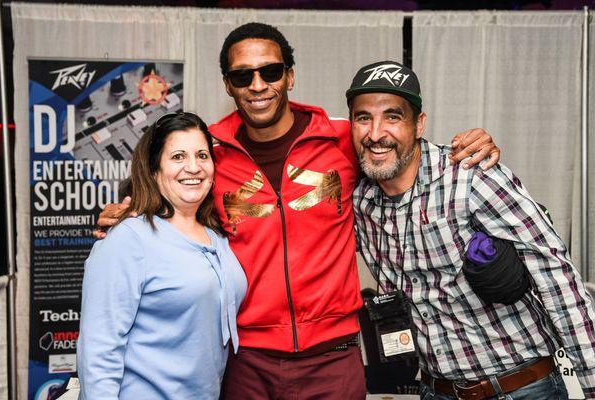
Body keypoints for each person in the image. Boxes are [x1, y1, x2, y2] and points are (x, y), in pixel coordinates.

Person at [94, 23, 501, 399]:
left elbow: (402, 148)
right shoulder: (209, 153)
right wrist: (127, 216)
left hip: (333, 358)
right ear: (228, 85)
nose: (258, 85)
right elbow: (159, 195)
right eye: (242, 76)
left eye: (270, 72)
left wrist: (471, 144)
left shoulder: (342, 137)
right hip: (246, 360)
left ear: (290, 75)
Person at [349, 60, 595, 400]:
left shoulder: (471, 176)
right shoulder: (361, 202)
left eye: (392, 116)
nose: (376, 133)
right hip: (437, 390)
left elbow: (554, 273)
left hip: (521, 387)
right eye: (364, 118)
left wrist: (591, 380)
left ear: (418, 124)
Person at [78, 112, 247, 399]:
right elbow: (99, 349)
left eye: (202, 155)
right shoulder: (128, 239)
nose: (193, 167)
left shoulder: (217, 236)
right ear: (154, 168)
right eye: (178, 157)